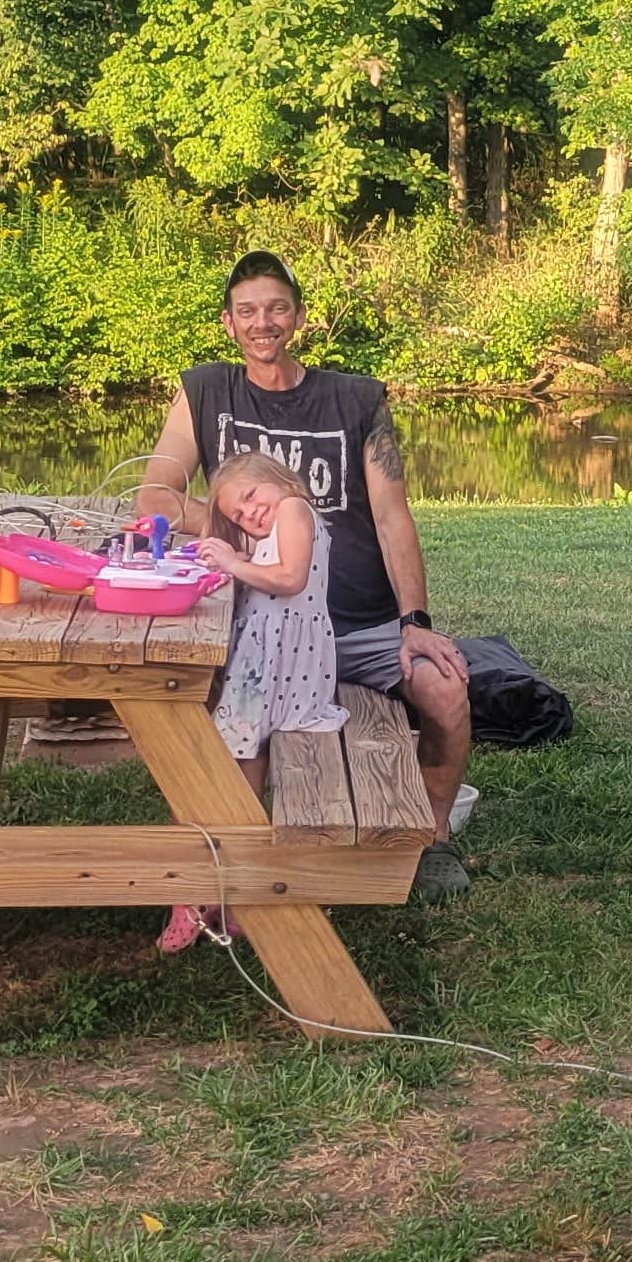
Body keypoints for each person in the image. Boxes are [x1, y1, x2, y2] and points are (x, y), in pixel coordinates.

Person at [138, 253, 475, 839]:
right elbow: (155, 499)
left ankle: (431, 837)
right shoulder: (205, 391)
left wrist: (414, 621)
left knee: (447, 694)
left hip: (359, 625)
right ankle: (221, 859)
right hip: (254, 628)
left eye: (275, 309)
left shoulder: (358, 399)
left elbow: (394, 518)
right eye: (247, 311)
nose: (261, 322)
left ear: (297, 318)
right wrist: (244, 538)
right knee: (187, 698)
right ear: (228, 322)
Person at [156, 448, 341, 956]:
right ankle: (231, 893)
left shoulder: (295, 510)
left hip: (274, 672)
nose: (251, 513)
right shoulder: (276, 522)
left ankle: (194, 893)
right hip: (269, 669)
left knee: (216, 773)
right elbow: (263, 574)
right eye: (239, 513)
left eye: (252, 497)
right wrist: (220, 563)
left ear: (279, 480)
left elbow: (290, 579)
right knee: (241, 773)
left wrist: (235, 563)